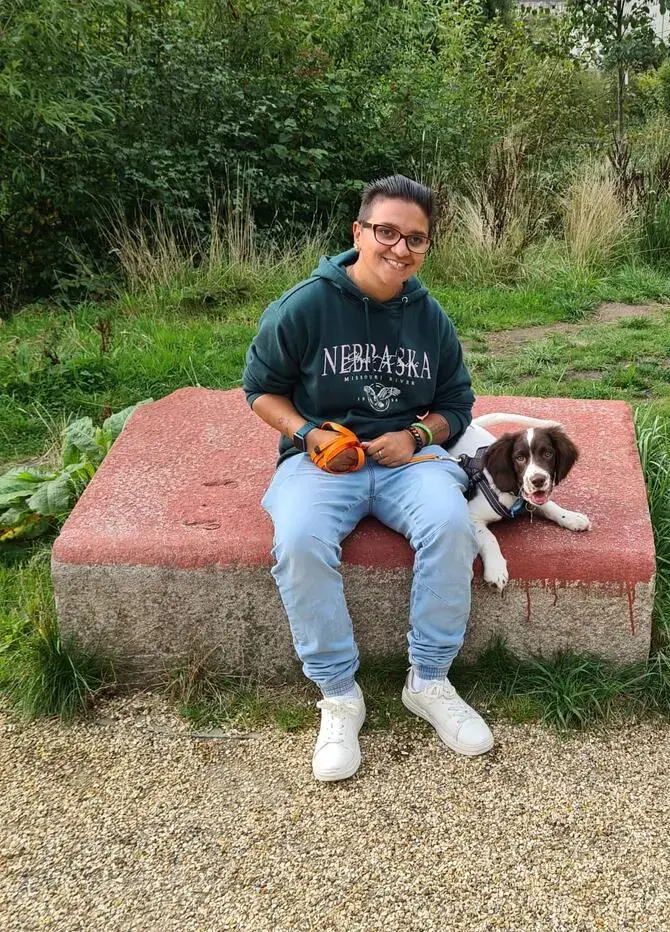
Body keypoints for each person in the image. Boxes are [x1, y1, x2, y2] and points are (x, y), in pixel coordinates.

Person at [243, 175, 492, 782]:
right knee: (298, 540)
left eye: (416, 239)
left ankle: (429, 681)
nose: (400, 249)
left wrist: (418, 437)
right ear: (358, 232)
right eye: (387, 232)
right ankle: (338, 696)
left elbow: (457, 404)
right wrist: (308, 434)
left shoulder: (430, 317)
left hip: (407, 463)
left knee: (451, 525)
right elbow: (260, 390)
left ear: (426, 245)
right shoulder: (305, 305)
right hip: (323, 461)